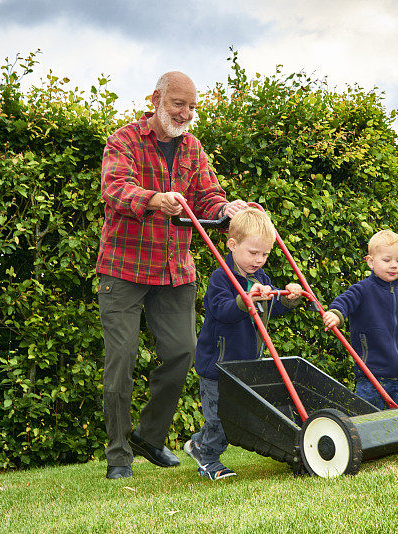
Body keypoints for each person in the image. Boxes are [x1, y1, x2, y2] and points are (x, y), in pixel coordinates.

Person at [97, 71, 248, 480]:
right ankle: (118, 456)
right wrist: (153, 199)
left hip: (174, 270)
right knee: (122, 358)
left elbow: (208, 196)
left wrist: (226, 208)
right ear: (157, 100)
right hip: (123, 268)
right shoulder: (124, 140)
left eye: (192, 106)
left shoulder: (193, 149)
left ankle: (149, 438)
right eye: (179, 104)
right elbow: (115, 188)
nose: (186, 113)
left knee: (182, 354)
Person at [184, 208, 304, 480]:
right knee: (219, 419)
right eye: (253, 253)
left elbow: (272, 307)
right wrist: (245, 299)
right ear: (232, 244)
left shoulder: (261, 279)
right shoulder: (221, 278)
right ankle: (209, 459)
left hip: (247, 364)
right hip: (218, 366)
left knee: (234, 416)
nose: (259, 260)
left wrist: (288, 298)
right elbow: (222, 310)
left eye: (264, 254)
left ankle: (199, 443)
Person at [321, 230, 398, 410]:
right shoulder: (362, 290)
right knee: (365, 417)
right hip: (372, 376)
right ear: (371, 262)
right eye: (387, 260)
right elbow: (344, 301)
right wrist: (336, 314)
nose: (394, 265)